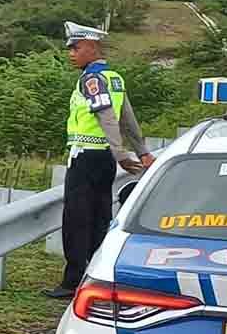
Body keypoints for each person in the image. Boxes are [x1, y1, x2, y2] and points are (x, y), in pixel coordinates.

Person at [43, 21, 156, 300]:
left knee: (77, 219)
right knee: (100, 216)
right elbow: (128, 116)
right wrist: (141, 150)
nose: (71, 53)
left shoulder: (91, 79)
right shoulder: (114, 78)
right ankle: (97, 274)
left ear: (92, 48)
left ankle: (72, 281)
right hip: (104, 158)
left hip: (87, 157)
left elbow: (107, 115)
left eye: (76, 48)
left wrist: (121, 153)